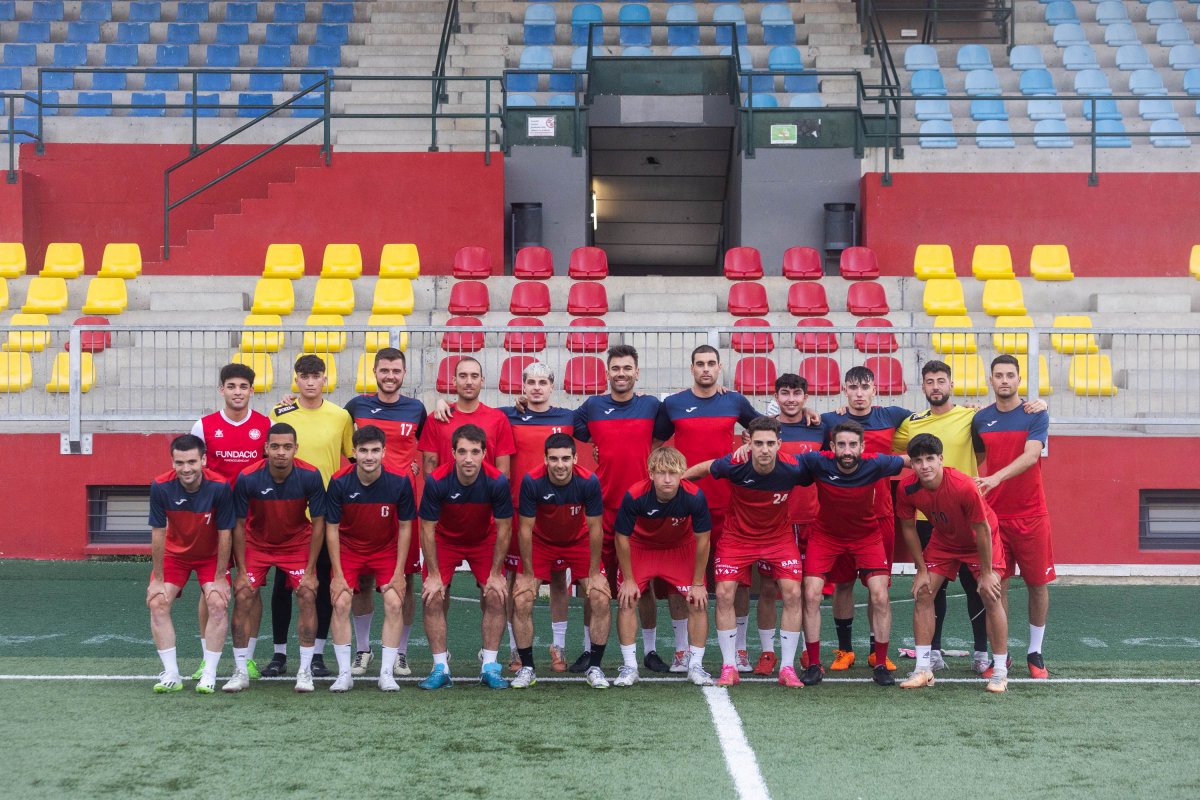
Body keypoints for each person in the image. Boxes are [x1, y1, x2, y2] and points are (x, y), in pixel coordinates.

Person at [891, 359, 1046, 674]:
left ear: (951, 384)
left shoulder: (972, 416)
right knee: (934, 591)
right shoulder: (912, 422)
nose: (936, 386)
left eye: (941, 380)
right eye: (930, 381)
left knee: (981, 588)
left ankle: (984, 656)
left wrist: (1039, 404)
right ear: (923, 387)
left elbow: (989, 446)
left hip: (971, 510)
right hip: (929, 518)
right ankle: (930, 656)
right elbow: (894, 452)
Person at [653, 345, 758, 674]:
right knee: (679, 578)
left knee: (739, 580)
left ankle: (739, 649)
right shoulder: (673, 404)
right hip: (685, 502)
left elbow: (765, 429)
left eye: (712, 363)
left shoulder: (735, 401)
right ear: (692, 368)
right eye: (700, 364)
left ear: (720, 367)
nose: (706, 369)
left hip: (730, 504)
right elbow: (656, 444)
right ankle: (682, 650)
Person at [683, 417, 809, 688]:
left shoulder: (794, 468)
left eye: (770, 444)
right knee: (725, 593)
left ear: (780, 445)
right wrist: (675, 483)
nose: (765, 449)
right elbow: (704, 469)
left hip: (778, 537)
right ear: (748, 443)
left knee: (793, 592)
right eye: (759, 443)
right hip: (737, 537)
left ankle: (787, 668)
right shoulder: (734, 464)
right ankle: (729, 666)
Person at [572, 345, 670, 673]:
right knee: (594, 583)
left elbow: (666, 433)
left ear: (637, 372)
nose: (621, 374)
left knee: (643, 586)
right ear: (607, 373)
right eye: (616, 368)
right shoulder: (593, 406)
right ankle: (589, 650)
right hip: (601, 509)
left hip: (642, 509)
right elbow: (565, 426)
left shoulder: (652, 406)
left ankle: (651, 650)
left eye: (627, 368)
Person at [896, 434, 1010, 693]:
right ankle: (923, 669)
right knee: (923, 592)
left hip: (979, 539)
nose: (924, 466)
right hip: (944, 540)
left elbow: (981, 529)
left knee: (989, 594)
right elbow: (908, 527)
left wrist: (988, 572)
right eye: (918, 460)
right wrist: (921, 569)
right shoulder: (906, 488)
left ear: (941, 460)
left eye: (930, 459)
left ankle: (1000, 671)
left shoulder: (962, 485)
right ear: (911, 464)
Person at [264, 354, 354, 679]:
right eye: (304, 375)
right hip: (286, 512)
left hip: (325, 514)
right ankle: (278, 654)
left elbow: (354, 456)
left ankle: (316, 654)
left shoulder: (341, 416)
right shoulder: (281, 412)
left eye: (316, 375)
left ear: (325, 378)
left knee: (322, 583)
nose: (311, 381)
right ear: (296, 379)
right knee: (282, 586)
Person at [798, 422, 908, 686]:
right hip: (826, 536)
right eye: (842, 445)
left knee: (880, 594)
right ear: (833, 447)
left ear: (862, 447)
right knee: (811, 593)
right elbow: (782, 461)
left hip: (866, 537)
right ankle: (814, 664)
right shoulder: (818, 462)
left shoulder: (876, 463)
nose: (848, 451)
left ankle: (880, 663)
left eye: (853, 445)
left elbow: (911, 458)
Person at [819, 366, 911, 674]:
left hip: (880, 516)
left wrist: (973, 411)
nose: (859, 393)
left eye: (865, 387)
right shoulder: (831, 421)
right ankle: (845, 650)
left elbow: (934, 418)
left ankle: (876, 652)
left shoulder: (892, 416)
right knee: (843, 584)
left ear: (875, 389)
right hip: (839, 519)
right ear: (844, 390)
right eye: (853, 387)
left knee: (878, 587)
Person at [342, 348, 427, 679]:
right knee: (363, 579)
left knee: (404, 579)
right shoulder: (356, 406)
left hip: (402, 506)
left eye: (396, 370)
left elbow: (426, 445)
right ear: (374, 372)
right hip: (362, 505)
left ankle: (401, 653)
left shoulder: (416, 409)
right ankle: (363, 649)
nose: (390, 375)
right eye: (384, 370)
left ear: (404, 374)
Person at [224, 423, 327, 693]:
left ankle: (305, 671)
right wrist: (242, 570)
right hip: (257, 543)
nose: (281, 452)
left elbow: (318, 523)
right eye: (275, 446)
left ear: (295, 449)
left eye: (287, 447)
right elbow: (237, 524)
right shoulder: (248, 477)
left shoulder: (310, 475)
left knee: (306, 593)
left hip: (296, 544)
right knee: (244, 594)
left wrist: (311, 568)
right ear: (266, 448)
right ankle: (240, 669)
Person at [972, 354, 1055, 680]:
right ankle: (1000, 656)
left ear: (1018, 380)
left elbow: (1031, 455)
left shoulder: (1036, 414)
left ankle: (1035, 652)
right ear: (991, 381)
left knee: (1037, 584)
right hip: (995, 517)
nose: (1004, 380)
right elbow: (976, 457)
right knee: (998, 587)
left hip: (1032, 514)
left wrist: (994, 479)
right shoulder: (980, 419)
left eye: (1010, 375)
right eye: (998, 375)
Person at [187, 363, 271, 680]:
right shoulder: (204, 426)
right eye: (231, 386)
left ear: (252, 390)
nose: (238, 392)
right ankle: (206, 658)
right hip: (214, 520)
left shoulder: (265, 425)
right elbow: (193, 471)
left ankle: (246, 658)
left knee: (250, 587)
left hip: (253, 519)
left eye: (243, 386)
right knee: (211, 587)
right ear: (222, 389)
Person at [416, 424, 514, 690]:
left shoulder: (497, 481)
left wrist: (495, 574)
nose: (468, 458)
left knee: (495, 593)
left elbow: (505, 528)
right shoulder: (437, 480)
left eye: (474, 452)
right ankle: (440, 667)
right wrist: (434, 575)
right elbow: (426, 528)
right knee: (433, 595)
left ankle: (490, 666)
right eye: (462, 452)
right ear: (453, 453)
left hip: (483, 539)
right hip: (445, 540)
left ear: (484, 453)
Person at [511, 433, 611, 689]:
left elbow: (596, 527)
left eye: (566, 458)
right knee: (522, 598)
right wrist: (528, 574)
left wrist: (594, 572)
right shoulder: (532, 481)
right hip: (541, 542)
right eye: (554, 459)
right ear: (545, 459)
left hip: (578, 541)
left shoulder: (588, 481)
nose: (560, 464)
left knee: (599, 596)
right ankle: (528, 668)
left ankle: (595, 667)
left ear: (575, 458)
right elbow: (524, 529)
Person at [324, 425, 417, 692]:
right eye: (363, 450)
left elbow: (405, 526)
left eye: (375, 450)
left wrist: (399, 571)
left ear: (384, 452)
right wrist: (338, 574)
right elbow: (331, 529)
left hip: (385, 550)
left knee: (394, 602)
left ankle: (386, 673)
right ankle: (344, 674)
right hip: (349, 549)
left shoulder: (399, 481)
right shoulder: (339, 481)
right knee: (341, 601)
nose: (369, 456)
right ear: (353, 452)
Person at [612, 447, 713, 687]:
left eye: (673, 473)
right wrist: (628, 579)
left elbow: (703, 540)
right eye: (661, 473)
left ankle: (696, 665)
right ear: (651, 474)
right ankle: (630, 666)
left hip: (680, 548)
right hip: (641, 547)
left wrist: (698, 583)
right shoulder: (635, 495)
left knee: (697, 601)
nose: (667, 479)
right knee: (627, 599)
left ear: (681, 474)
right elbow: (621, 538)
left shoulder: (694, 496)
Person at [500, 362, 577, 674]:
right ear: (522, 385)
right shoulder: (507, 415)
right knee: (514, 580)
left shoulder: (569, 418)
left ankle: (557, 647)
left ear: (552, 385)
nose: (536, 387)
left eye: (542, 382)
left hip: (557, 511)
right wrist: (440, 403)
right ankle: (515, 649)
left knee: (559, 580)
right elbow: (471, 412)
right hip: (520, 510)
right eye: (530, 382)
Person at [146, 434, 235, 694]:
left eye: (192, 462)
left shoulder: (220, 487)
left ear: (204, 460)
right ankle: (171, 674)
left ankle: (209, 673)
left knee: (217, 603)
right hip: (176, 556)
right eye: (180, 462)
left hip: (210, 556)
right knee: (157, 602)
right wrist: (158, 579)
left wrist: (220, 577)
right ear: (172, 462)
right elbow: (158, 532)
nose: (186, 468)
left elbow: (225, 533)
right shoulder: (160, 486)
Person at [756, 373, 825, 676]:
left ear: (806, 398)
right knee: (769, 588)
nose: (791, 399)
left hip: (811, 520)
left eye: (797, 394)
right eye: (784, 393)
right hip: (775, 522)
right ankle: (768, 653)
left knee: (809, 590)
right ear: (776, 396)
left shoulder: (821, 427)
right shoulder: (766, 429)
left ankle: (809, 654)